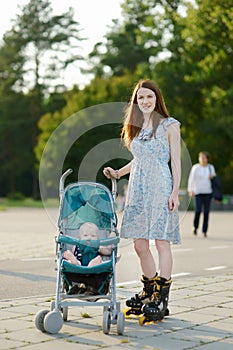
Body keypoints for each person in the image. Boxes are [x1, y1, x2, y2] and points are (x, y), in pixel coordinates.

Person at [103, 79, 181, 322]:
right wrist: (118, 173)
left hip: (160, 187)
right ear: (136, 102)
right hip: (137, 189)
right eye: (141, 98)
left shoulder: (170, 125)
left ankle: (161, 299)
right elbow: (139, 159)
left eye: (149, 97)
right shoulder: (135, 126)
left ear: (157, 99)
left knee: (161, 243)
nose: (145, 101)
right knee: (139, 245)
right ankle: (149, 291)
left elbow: (176, 161)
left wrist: (175, 192)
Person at [188, 151, 216, 238]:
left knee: (206, 212)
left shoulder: (211, 167)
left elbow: (214, 178)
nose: (202, 159)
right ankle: (195, 227)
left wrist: (212, 177)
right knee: (198, 211)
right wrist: (191, 190)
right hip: (198, 192)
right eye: (201, 158)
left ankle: (204, 231)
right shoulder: (196, 167)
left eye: (204, 158)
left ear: (207, 159)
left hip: (208, 192)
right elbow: (191, 179)